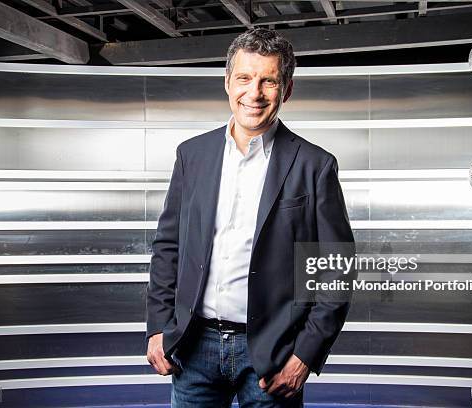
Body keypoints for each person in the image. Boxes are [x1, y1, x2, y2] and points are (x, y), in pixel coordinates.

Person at [146, 28, 355, 407]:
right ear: (227, 82)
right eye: (244, 78)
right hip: (192, 348)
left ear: (286, 90)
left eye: (269, 81)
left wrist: (305, 355)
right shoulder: (191, 155)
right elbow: (168, 247)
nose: (254, 93)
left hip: (273, 352)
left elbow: (335, 268)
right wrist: (159, 326)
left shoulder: (315, 165)